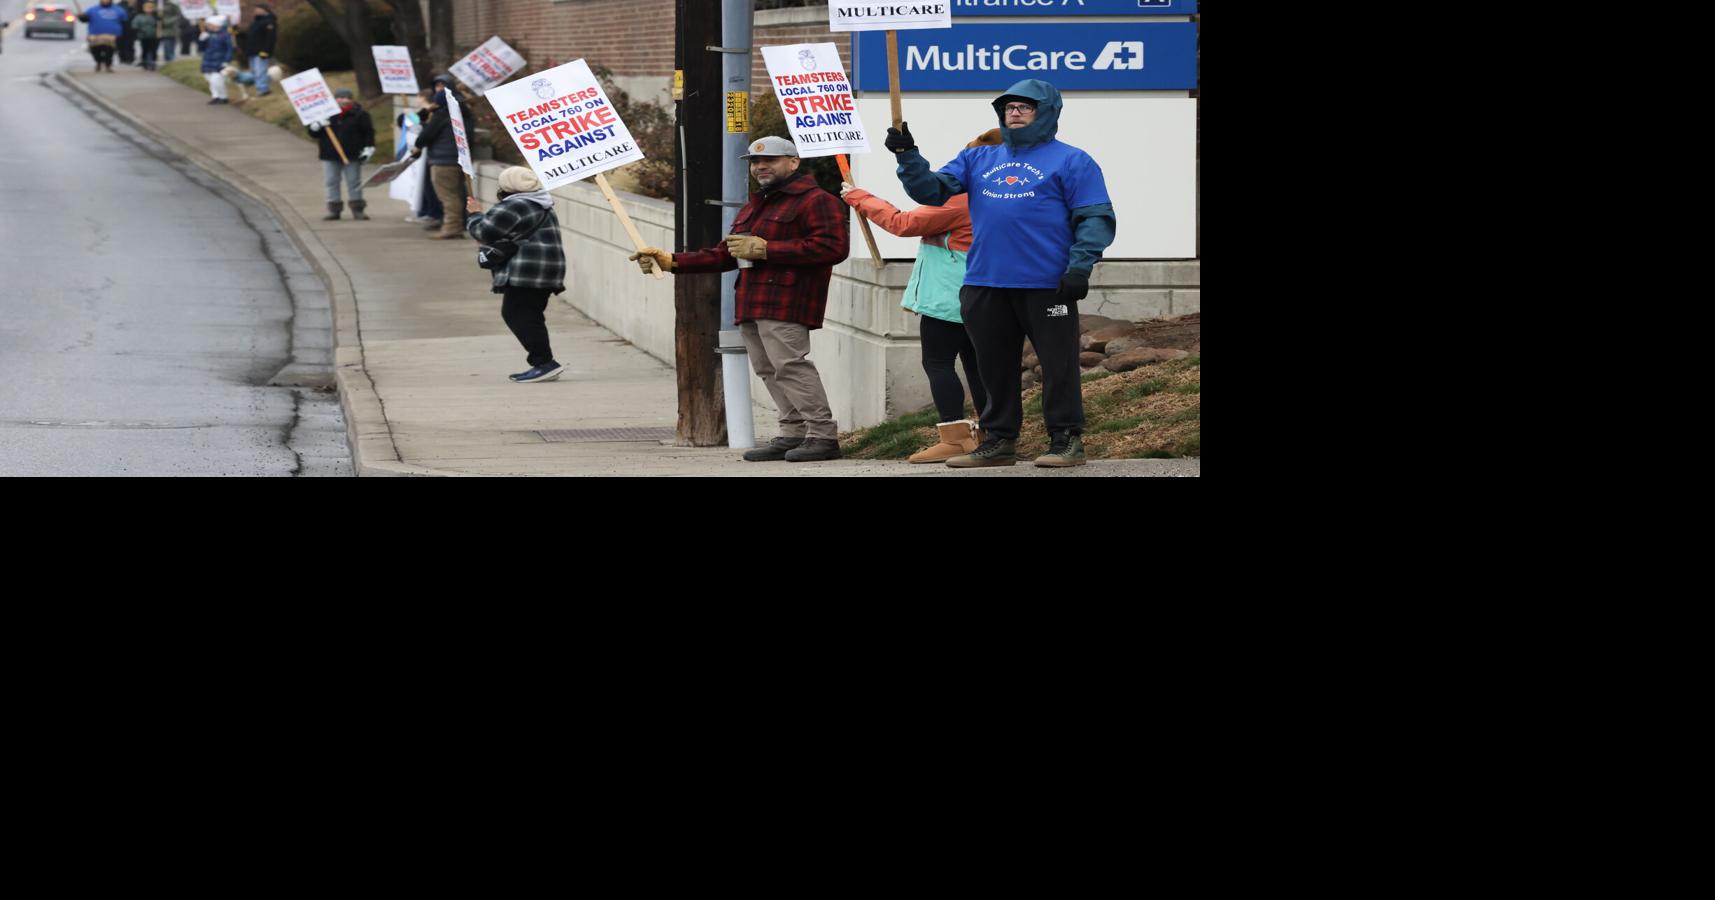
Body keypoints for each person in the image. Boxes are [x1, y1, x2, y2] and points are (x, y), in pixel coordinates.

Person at [886, 79, 1116, 469]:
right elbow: (932, 191)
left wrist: (1080, 265)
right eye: (1008, 107)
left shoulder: (1073, 161)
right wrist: (908, 155)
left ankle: (1065, 440)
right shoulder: (978, 159)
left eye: (1024, 107)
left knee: (1058, 366)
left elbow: (1094, 216)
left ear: (1046, 113)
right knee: (992, 367)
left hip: (1048, 285)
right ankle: (999, 440)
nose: (1013, 112)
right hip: (984, 283)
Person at [630, 136, 850, 463]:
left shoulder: (816, 200)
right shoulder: (757, 203)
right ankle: (791, 433)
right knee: (769, 370)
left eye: (770, 160)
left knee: (790, 366)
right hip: (751, 301)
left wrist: (767, 249)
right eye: (754, 162)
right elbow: (724, 255)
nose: (760, 166)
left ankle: (822, 435)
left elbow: (833, 248)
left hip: (787, 301)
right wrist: (671, 261)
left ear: (793, 162)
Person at [840, 128, 1000, 464]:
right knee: (977, 366)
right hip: (987, 292)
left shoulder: (961, 200)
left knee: (939, 362)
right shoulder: (1002, 196)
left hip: (950, 295)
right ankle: (992, 433)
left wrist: (859, 197)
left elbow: (903, 223)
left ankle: (955, 438)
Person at [465, 168, 568, 384]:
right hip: (543, 270)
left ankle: (544, 363)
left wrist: (474, 214)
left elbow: (484, 231)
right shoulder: (541, 202)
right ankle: (543, 362)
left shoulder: (516, 204)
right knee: (530, 315)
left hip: (527, 271)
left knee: (517, 314)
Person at [309, 89, 375, 221]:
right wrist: (316, 126)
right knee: (331, 181)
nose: (344, 100)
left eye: (347, 98)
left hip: (352, 154)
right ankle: (334, 210)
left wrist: (369, 148)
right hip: (330, 154)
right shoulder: (324, 114)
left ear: (352, 100)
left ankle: (358, 209)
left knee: (354, 181)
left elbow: (368, 132)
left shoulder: (360, 114)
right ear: (334, 99)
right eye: (340, 98)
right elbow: (313, 134)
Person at [413, 75, 466, 240]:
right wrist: (425, 111)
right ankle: (456, 224)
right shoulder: (463, 111)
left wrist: (418, 144)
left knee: (448, 196)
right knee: (456, 194)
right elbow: (408, 120)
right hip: (459, 159)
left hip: (443, 160)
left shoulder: (441, 115)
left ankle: (451, 227)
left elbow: (425, 136)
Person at [79, 0, 128, 74]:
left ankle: (108, 65)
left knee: (109, 51)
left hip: (112, 36)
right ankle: (99, 62)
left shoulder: (119, 10)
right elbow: (85, 19)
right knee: (95, 50)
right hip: (96, 36)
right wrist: (81, 17)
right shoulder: (92, 9)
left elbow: (125, 21)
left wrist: (122, 34)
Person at [199, 15, 233, 104]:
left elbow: (229, 49)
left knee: (216, 80)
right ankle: (215, 96)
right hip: (208, 60)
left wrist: (227, 60)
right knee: (210, 80)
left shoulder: (225, 35)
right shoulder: (208, 35)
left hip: (219, 60)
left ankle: (223, 96)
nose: (208, 26)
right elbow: (201, 49)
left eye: (210, 24)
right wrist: (202, 40)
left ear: (217, 25)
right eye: (208, 25)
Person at [244, 4, 276, 96]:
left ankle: (263, 90)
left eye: (258, 9)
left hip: (261, 51)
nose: (256, 11)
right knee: (255, 72)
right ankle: (260, 88)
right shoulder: (255, 22)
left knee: (260, 71)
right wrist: (237, 33)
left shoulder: (269, 22)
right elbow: (250, 37)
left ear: (265, 10)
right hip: (252, 51)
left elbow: (270, 38)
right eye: (255, 10)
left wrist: (266, 50)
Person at [133, 2, 160, 71]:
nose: (149, 9)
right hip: (144, 36)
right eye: (147, 8)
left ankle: (153, 62)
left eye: (150, 8)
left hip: (154, 36)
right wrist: (141, 30)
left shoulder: (156, 16)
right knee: (145, 49)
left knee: (153, 50)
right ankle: (145, 62)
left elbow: (160, 25)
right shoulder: (139, 16)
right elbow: (134, 25)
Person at [116, 0, 137, 65]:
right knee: (120, 44)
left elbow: (136, 15)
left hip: (131, 28)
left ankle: (130, 59)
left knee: (130, 44)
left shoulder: (136, 4)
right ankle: (122, 59)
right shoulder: (119, 5)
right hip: (121, 27)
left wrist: (132, 7)